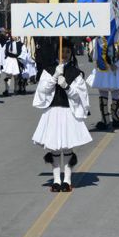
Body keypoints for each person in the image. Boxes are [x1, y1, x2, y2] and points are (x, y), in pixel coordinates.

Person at [32, 38, 92, 193]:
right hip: (52, 112)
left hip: (67, 113)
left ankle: (67, 180)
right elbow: (42, 91)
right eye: (61, 52)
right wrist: (54, 77)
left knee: (67, 147)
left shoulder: (76, 73)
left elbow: (79, 97)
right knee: (54, 148)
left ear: (71, 54)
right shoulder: (49, 70)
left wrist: (66, 86)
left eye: (67, 52)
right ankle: (56, 180)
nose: (64, 55)